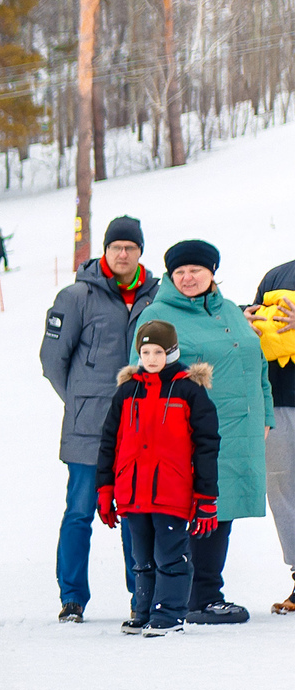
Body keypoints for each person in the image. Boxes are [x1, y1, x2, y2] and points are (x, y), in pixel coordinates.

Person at [141, 239, 271, 623]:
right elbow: (144, 374)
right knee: (198, 508)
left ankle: (206, 593)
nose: (187, 277)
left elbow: (257, 363)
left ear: (212, 272)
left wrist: (264, 415)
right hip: (193, 432)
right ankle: (196, 596)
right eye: (179, 272)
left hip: (240, 428)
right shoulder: (159, 315)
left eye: (195, 270)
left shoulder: (229, 309)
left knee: (222, 509)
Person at [41, 215, 157, 622]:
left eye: (130, 247)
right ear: (105, 251)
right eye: (116, 247)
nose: (123, 254)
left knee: (136, 514)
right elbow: (52, 359)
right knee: (79, 511)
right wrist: (81, 401)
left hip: (139, 428)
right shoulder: (76, 297)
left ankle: (140, 594)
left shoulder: (156, 297)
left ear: (140, 252)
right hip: (88, 429)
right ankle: (72, 597)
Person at [96, 321, 221, 636]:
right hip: (133, 492)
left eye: (159, 352)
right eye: (145, 351)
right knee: (141, 557)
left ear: (172, 352)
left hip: (171, 491)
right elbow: (109, 441)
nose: (151, 358)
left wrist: (206, 498)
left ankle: (169, 614)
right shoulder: (127, 392)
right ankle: (144, 610)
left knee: (169, 555)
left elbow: (207, 446)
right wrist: (105, 488)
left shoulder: (189, 391)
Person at [248, 263, 295, 612]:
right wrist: (245, 317)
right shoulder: (277, 275)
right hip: (279, 401)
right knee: (283, 491)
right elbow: (249, 321)